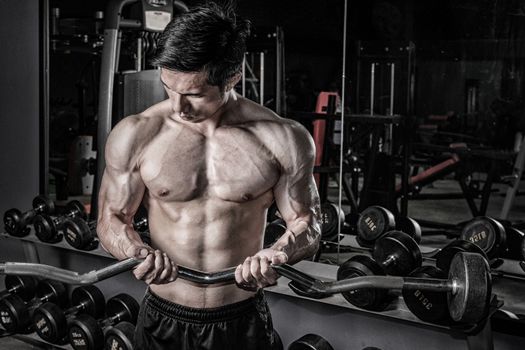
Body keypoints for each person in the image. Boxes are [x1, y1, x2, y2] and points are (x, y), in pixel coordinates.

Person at [96, 2, 320, 349]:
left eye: (194, 94)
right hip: (162, 316)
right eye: (168, 87)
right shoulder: (138, 133)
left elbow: (308, 222)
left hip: (240, 317)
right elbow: (110, 217)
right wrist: (134, 250)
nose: (177, 106)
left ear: (232, 77)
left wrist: (279, 253)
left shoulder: (282, 139)